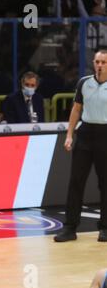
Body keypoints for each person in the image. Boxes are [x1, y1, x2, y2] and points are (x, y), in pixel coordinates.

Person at [54, 50, 107, 242]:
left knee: (105, 184)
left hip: (105, 135)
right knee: (76, 181)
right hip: (85, 134)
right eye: (97, 62)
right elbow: (76, 109)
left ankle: (105, 228)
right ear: (93, 63)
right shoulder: (84, 83)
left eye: (103, 62)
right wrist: (69, 135)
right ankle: (70, 227)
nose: (100, 65)